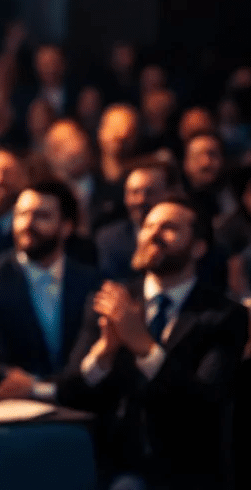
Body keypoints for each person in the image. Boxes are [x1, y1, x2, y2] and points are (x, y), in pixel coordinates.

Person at [59, 195, 248, 490]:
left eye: (169, 227)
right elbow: (70, 393)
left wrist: (144, 347)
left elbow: (205, 403)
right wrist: (103, 355)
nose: (153, 235)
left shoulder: (225, 315)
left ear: (198, 247)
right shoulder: (110, 301)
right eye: (147, 226)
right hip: (112, 463)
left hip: (187, 471)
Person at [0, 181, 100, 402]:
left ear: (66, 227)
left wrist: (40, 388)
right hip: (12, 408)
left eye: (41, 216)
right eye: (21, 215)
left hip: (81, 409)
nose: (27, 224)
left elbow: (93, 361)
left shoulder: (92, 283)